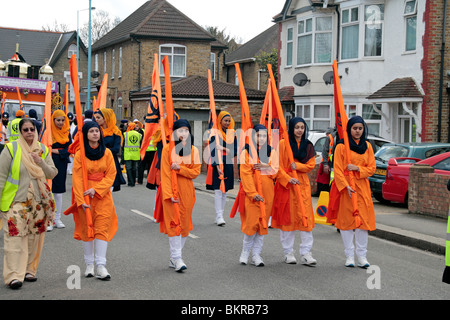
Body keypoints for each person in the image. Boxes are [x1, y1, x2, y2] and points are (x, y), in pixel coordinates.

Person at [0, 119, 57, 289]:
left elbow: (52, 173)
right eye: (25, 130)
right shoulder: (11, 149)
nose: (29, 132)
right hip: (15, 202)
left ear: (36, 130)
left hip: (39, 202)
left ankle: (28, 271)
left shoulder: (43, 150)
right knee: (14, 238)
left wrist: (40, 162)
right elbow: (1, 177)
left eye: (32, 129)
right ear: (20, 131)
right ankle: (13, 276)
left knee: (34, 239)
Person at [71, 121, 118, 280]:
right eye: (91, 131)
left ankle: (101, 265)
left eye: (97, 131)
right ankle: (89, 264)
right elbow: (76, 178)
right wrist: (80, 199)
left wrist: (97, 190)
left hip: (103, 196)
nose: (95, 134)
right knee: (87, 229)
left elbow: (111, 175)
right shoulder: (80, 154)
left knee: (102, 229)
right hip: (85, 196)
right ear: (85, 135)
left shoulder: (107, 153)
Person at [271, 117, 317, 266]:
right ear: (292, 128)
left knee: (305, 219)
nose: (299, 130)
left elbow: (310, 165)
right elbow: (276, 166)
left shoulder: (308, 145)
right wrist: (287, 178)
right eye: (297, 127)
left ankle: (306, 252)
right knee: (287, 220)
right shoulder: (283, 144)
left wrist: (297, 166)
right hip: (287, 186)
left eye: (302, 127)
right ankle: (288, 252)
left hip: (302, 184)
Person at [333, 116, 376, 268]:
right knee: (347, 223)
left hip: (362, 188)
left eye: (360, 128)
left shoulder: (368, 146)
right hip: (347, 189)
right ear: (349, 129)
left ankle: (362, 256)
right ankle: (349, 256)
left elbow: (372, 168)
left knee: (363, 223)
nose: (357, 131)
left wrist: (358, 168)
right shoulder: (341, 146)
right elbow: (337, 169)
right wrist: (345, 186)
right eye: (354, 128)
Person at [159, 119, 201, 272]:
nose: (183, 133)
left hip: (187, 190)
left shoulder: (194, 150)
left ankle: (175, 256)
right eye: (180, 130)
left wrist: (180, 169)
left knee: (183, 223)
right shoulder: (167, 149)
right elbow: (165, 173)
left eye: (186, 130)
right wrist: (169, 193)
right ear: (174, 132)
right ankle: (177, 258)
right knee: (173, 223)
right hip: (171, 191)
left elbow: (195, 172)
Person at [238, 124, 277, 266]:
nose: (260, 138)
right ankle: (245, 252)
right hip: (252, 194)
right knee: (251, 224)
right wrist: (252, 193)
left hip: (267, 193)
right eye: (258, 135)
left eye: (263, 135)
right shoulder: (246, 151)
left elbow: (275, 171)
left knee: (262, 225)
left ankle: (256, 255)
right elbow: (245, 173)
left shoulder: (271, 151)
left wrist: (266, 166)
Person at [206, 111, 237, 226]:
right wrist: (217, 166)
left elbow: (233, 151)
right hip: (218, 163)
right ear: (220, 121)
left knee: (225, 191)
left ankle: (221, 214)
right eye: (225, 120)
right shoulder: (215, 134)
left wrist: (223, 148)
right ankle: (219, 215)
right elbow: (213, 150)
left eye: (229, 121)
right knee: (218, 190)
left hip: (228, 163)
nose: (227, 123)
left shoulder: (232, 134)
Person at [47, 110, 72, 231]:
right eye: (58, 120)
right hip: (49, 162)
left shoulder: (67, 132)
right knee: (48, 190)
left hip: (61, 163)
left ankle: (57, 218)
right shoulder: (48, 131)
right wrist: (51, 151)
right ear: (53, 120)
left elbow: (70, 148)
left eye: (63, 120)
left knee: (59, 192)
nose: (61, 122)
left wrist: (56, 151)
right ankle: (49, 219)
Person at [93, 108, 126, 191]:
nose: (96, 119)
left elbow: (116, 149)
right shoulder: (96, 131)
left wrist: (99, 150)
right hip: (96, 161)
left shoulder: (116, 132)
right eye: (96, 117)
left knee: (108, 190)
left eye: (98, 118)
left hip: (110, 161)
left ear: (105, 118)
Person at [316, 126, 337, 193]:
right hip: (330, 165)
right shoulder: (331, 137)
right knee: (327, 186)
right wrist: (325, 164)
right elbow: (325, 151)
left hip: (331, 165)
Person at [123, 122, 142, 187]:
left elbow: (122, 145)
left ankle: (130, 182)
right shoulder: (139, 135)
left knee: (128, 168)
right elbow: (141, 144)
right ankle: (133, 181)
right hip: (136, 154)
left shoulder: (125, 134)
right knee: (134, 168)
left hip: (128, 154)